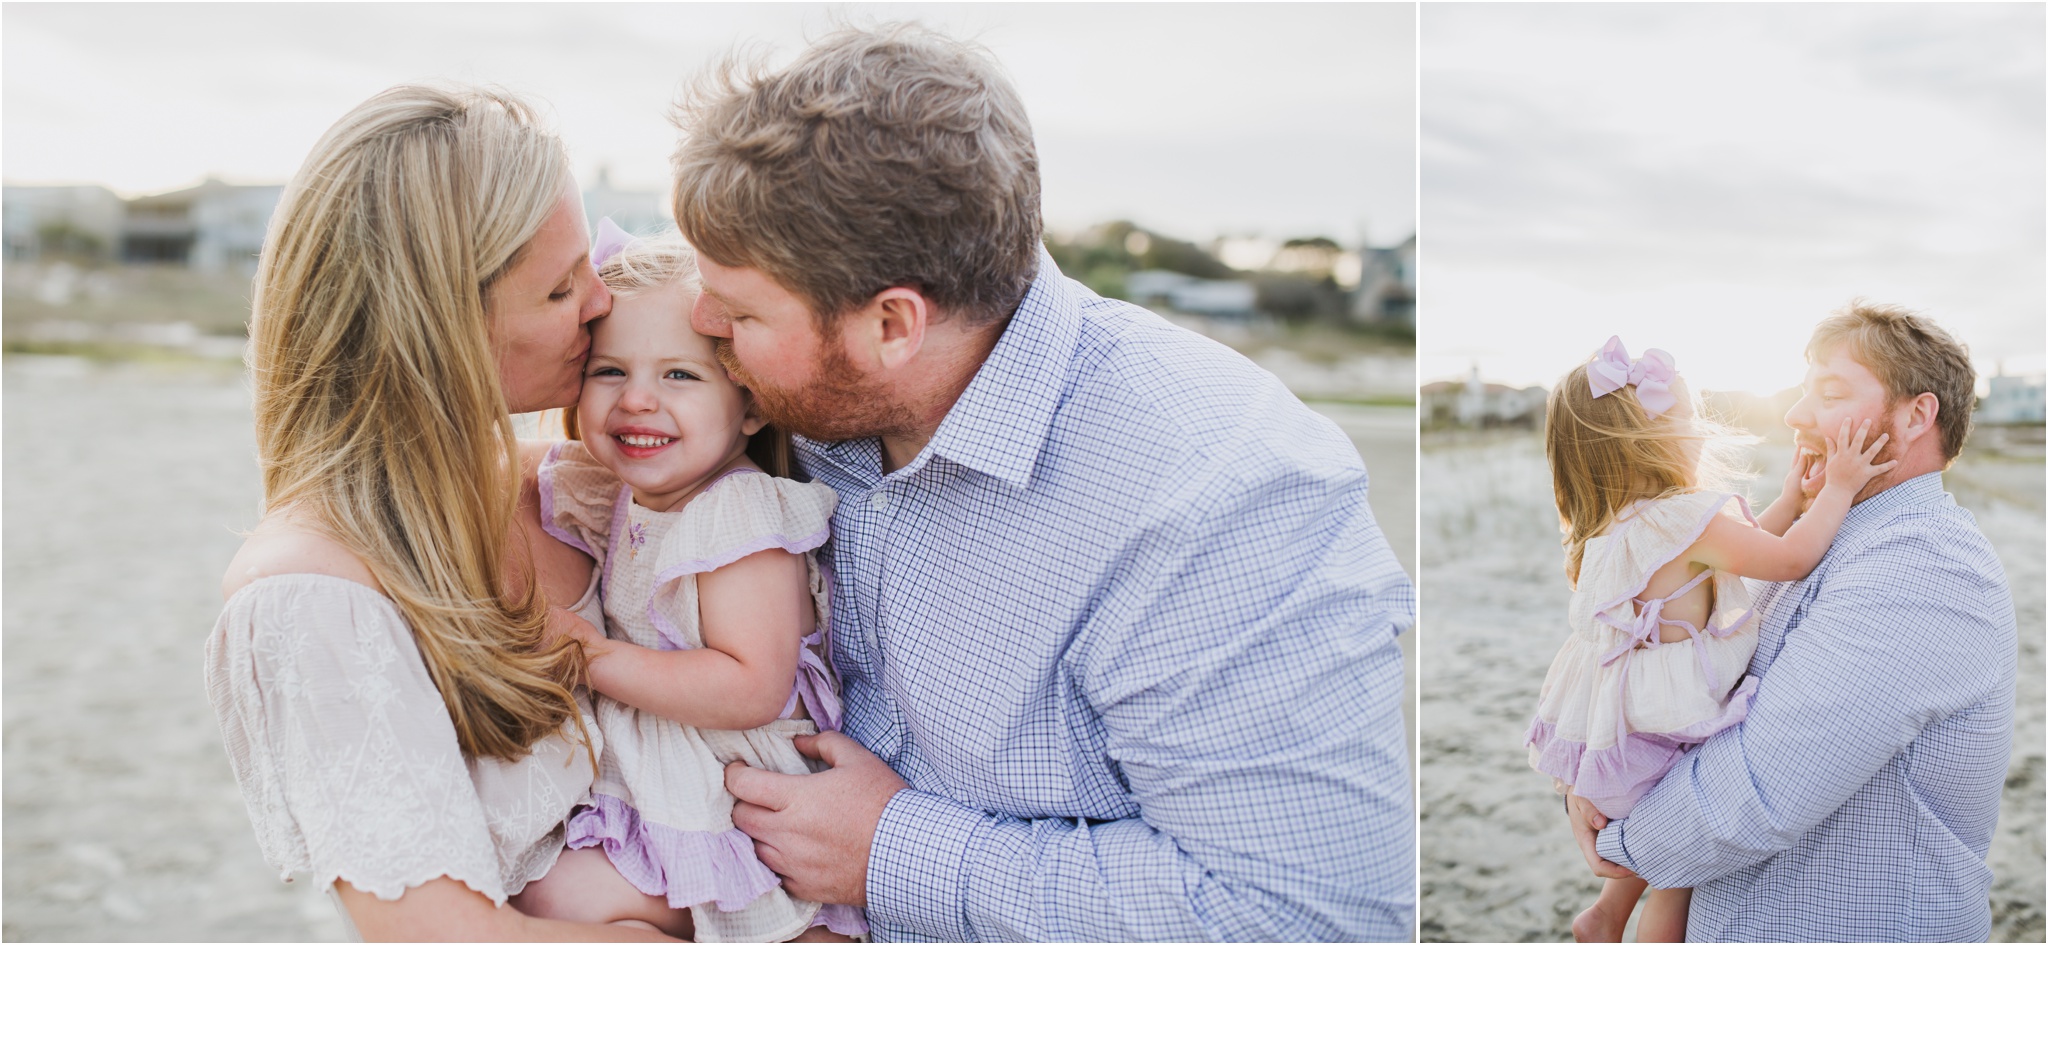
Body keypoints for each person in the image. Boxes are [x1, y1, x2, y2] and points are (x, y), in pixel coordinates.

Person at [675, 25, 1417, 941]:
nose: (699, 321)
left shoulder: (1219, 494)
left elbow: (1312, 924)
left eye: (740, 310)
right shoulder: (809, 386)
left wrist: (894, 852)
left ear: (893, 325)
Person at [204, 84, 677, 942]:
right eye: (561, 290)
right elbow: (456, 957)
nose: (601, 303)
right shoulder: (315, 598)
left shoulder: (590, 486)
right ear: (441, 324)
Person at [1568, 302, 2018, 942]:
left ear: (1918, 415)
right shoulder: (1838, 537)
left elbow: (1752, 795)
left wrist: (1618, 833)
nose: (1796, 415)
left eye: (1831, 393)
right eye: (1805, 390)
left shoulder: (1925, 567)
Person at [508, 226, 862, 941]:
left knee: (558, 900)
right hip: (663, 765)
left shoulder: (738, 512)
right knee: (540, 891)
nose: (638, 400)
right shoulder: (621, 494)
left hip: (735, 786)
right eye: (610, 371)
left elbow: (751, 685)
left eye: (679, 375)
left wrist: (593, 654)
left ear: (753, 405)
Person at [1528, 337, 1893, 943]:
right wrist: (1839, 489)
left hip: (1628, 724)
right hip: (1673, 721)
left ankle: (1606, 915)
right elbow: (1789, 560)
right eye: (1689, 421)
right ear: (1657, 442)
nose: (1699, 433)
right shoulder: (1679, 517)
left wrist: (1792, 499)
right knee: (1678, 879)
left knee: (1650, 836)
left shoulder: (1622, 524)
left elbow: (1740, 559)